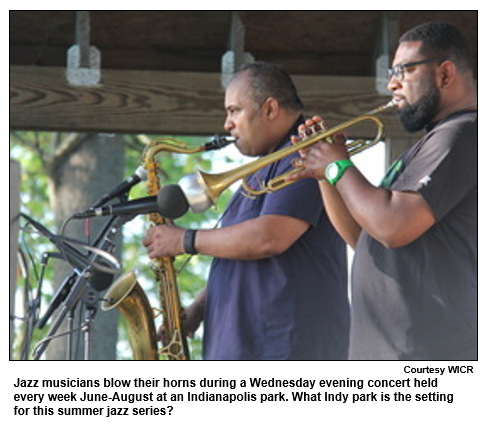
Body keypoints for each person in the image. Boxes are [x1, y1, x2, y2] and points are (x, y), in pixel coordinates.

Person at [289, 22, 477, 360]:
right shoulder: (430, 145)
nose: (392, 83)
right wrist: (325, 174)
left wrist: (337, 166)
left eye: (402, 71)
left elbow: (393, 226)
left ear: (445, 74)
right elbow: (364, 235)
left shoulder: (463, 134)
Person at [143, 61, 350, 360]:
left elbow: (269, 238)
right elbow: (241, 257)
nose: (227, 124)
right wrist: (197, 310)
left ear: (269, 109)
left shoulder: (306, 155)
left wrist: (184, 240)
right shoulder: (261, 169)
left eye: (234, 110)